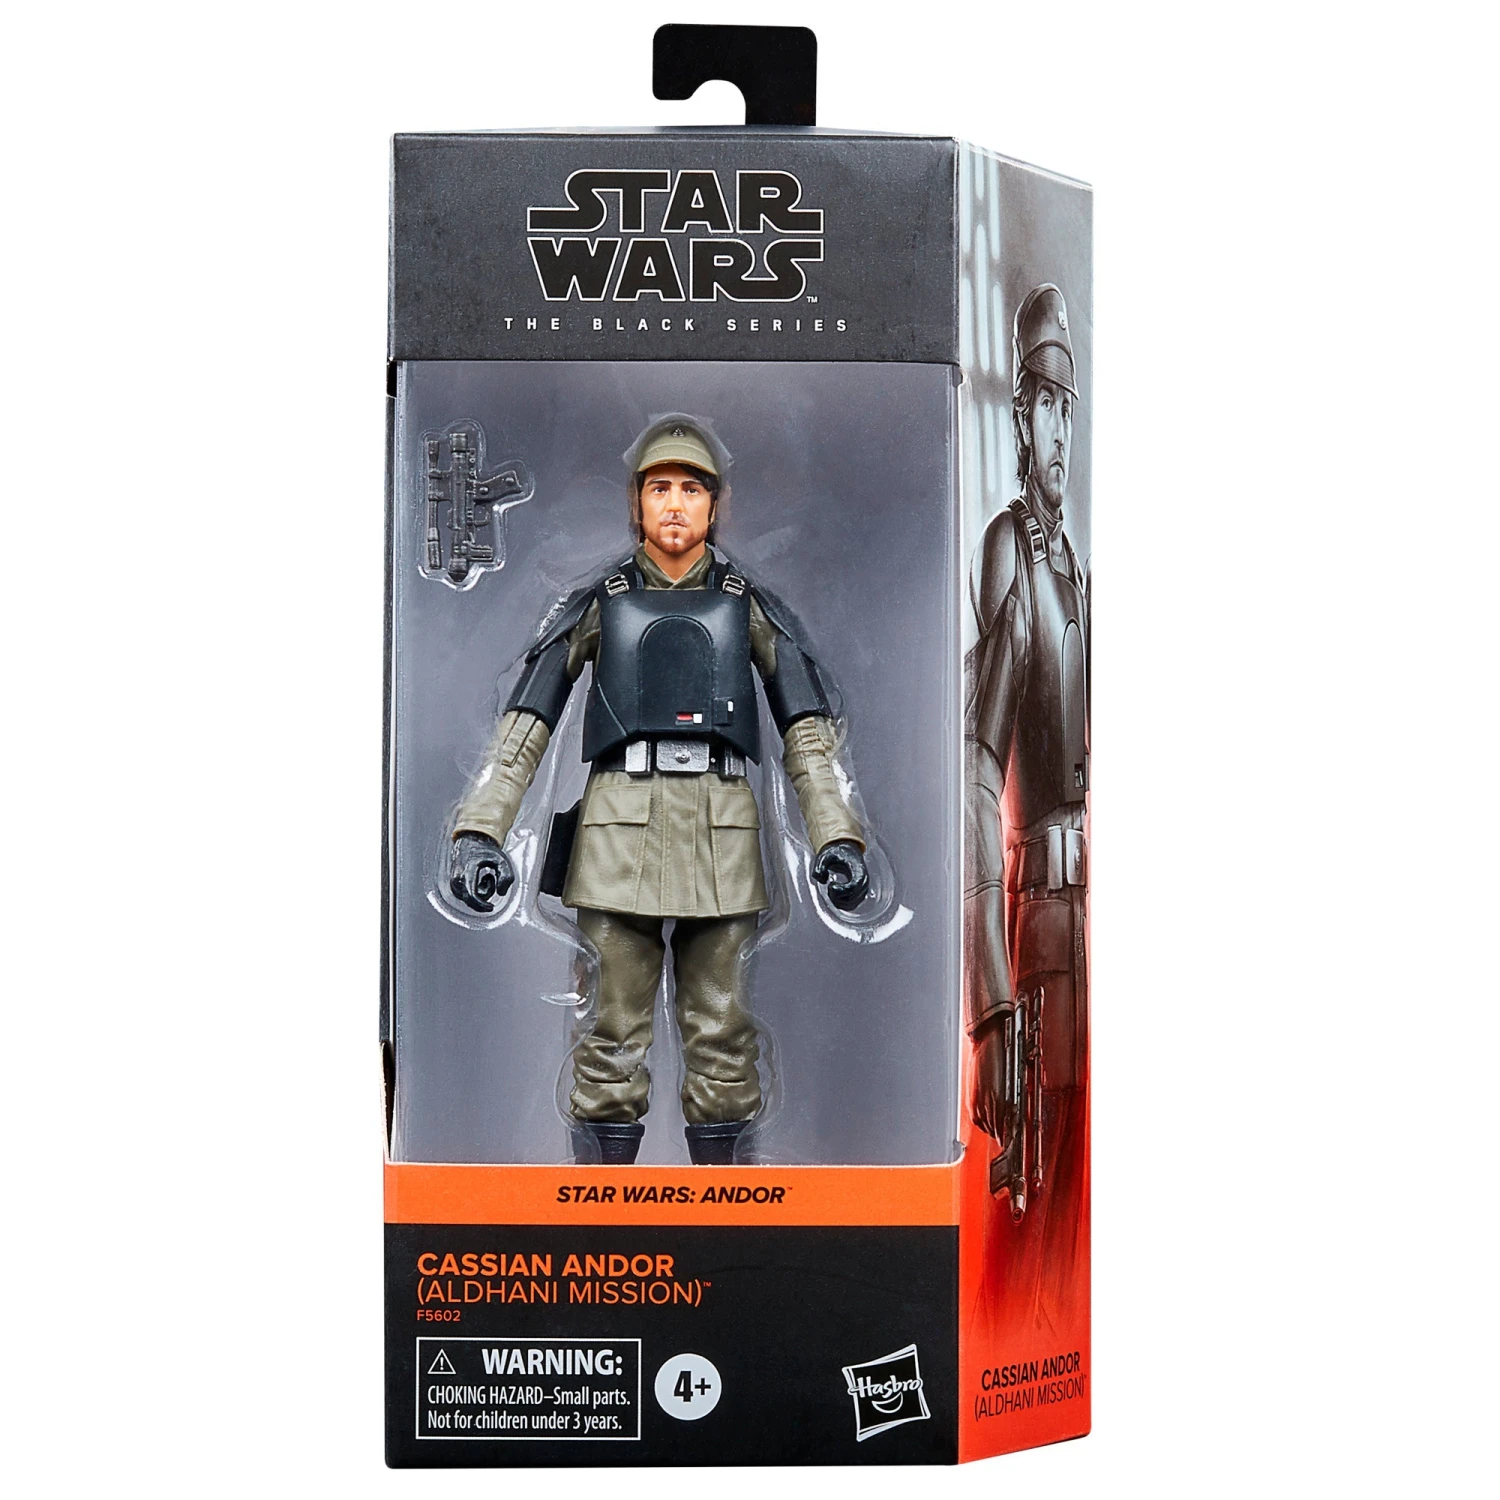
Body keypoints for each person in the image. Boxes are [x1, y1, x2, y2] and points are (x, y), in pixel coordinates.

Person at [448, 417, 870, 1165]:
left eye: (692, 489)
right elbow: (525, 726)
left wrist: (837, 835)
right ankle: (603, 1206)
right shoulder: (600, 602)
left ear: (717, 504)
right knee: (610, 1036)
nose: (675, 504)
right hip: (619, 833)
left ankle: (725, 1207)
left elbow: (807, 732)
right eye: (660, 488)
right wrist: (480, 830)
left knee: (723, 1040)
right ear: (636, 502)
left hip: (721, 835)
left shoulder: (747, 605)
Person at [966, 284, 1089, 1293]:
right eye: (1045, 404)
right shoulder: (1013, 547)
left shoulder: (1077, 569)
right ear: (1019, 416)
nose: (1060, 431)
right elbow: (976, 769)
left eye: (1069, 408)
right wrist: (991, 1005)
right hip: (1038, 926)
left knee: (1079, 1227)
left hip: (1089, 925)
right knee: (1029, 1234)